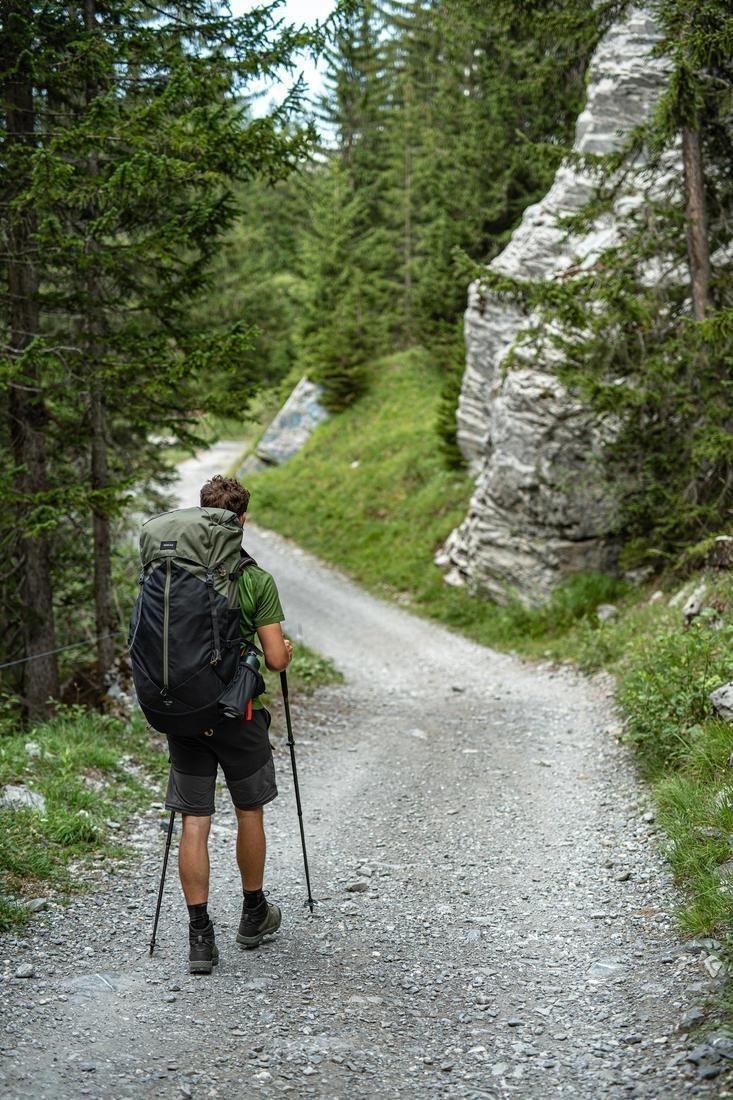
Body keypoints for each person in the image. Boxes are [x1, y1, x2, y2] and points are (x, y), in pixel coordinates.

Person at [163, 474, 293, 974]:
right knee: (248, 811)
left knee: (194, 820)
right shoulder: (254, 579)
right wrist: (282, 650)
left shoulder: (174, 576)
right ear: (240, 521)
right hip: (235, 715)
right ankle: (252, 913)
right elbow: (277, 660)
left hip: (185, 715)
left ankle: (199, 936)